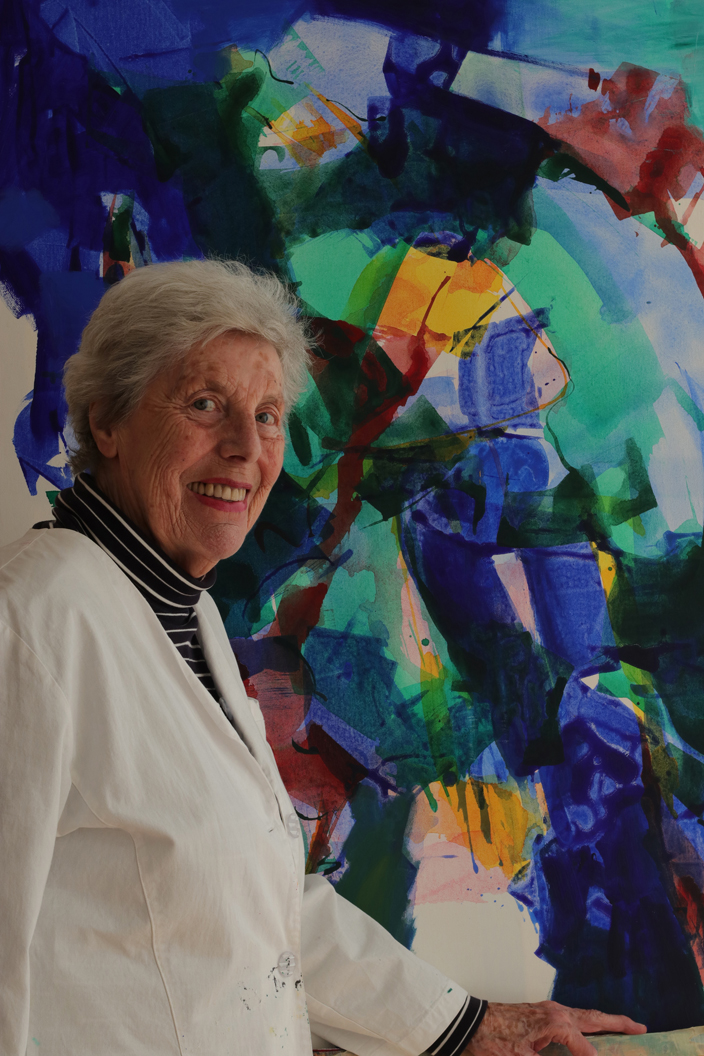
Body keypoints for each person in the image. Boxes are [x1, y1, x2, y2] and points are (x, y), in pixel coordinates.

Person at [0, 259, 646, 1056]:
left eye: (268, 415)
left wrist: (468, 1024)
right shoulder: (32, 620)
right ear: (107, 422)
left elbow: (260, 901)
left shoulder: (180, 610)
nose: (246, 448)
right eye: (205, 405)